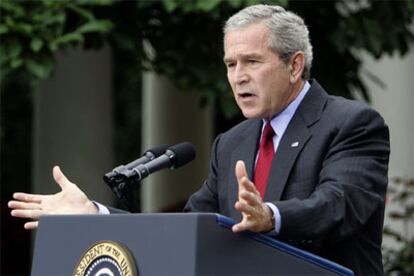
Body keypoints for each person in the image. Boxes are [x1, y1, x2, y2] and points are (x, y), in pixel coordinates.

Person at [8, 4, 389, 275]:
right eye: (230, 64)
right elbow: (187, 230)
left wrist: (270, 217)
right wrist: (95, 216)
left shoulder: (351, 123)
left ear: (294, 65)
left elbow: (339, 205)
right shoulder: (233, 143)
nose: (238, 76)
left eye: (252, 62)